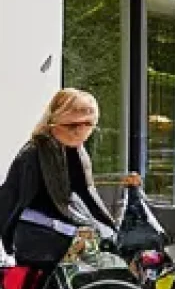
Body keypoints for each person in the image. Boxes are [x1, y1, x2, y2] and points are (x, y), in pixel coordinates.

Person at [0, 89, 116, 268]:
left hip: (57, 230)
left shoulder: (77, 152)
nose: (80, 132)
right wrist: (8, 243)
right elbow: (13, 202)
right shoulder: (34, 153)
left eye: (88, 124)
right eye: (72, 125)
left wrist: (111, 226)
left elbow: (86, 193)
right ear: (54, 122)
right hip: (35, 234)